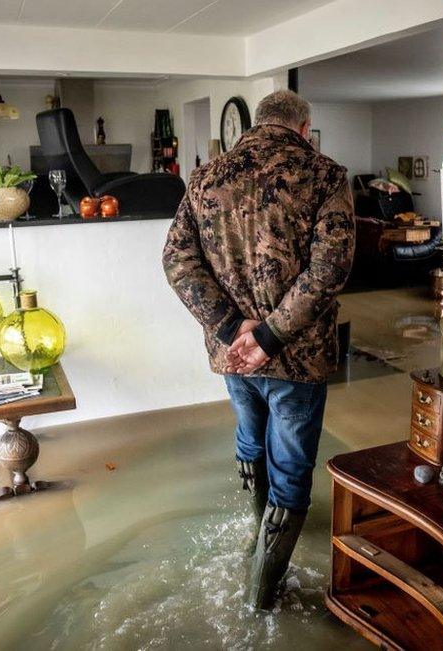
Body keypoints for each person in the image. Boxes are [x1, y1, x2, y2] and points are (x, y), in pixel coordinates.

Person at [162, 89, 355, 610]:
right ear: (302, 126)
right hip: (297, 356)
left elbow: (177, 262)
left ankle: (257, 538)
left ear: (255, 124)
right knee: (291, 465)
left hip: (234, 354)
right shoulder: (325, 174)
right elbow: (330, 269)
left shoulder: (205, 177)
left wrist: (233, 330)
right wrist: (268, 337)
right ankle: (260, 594)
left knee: (250, 430)